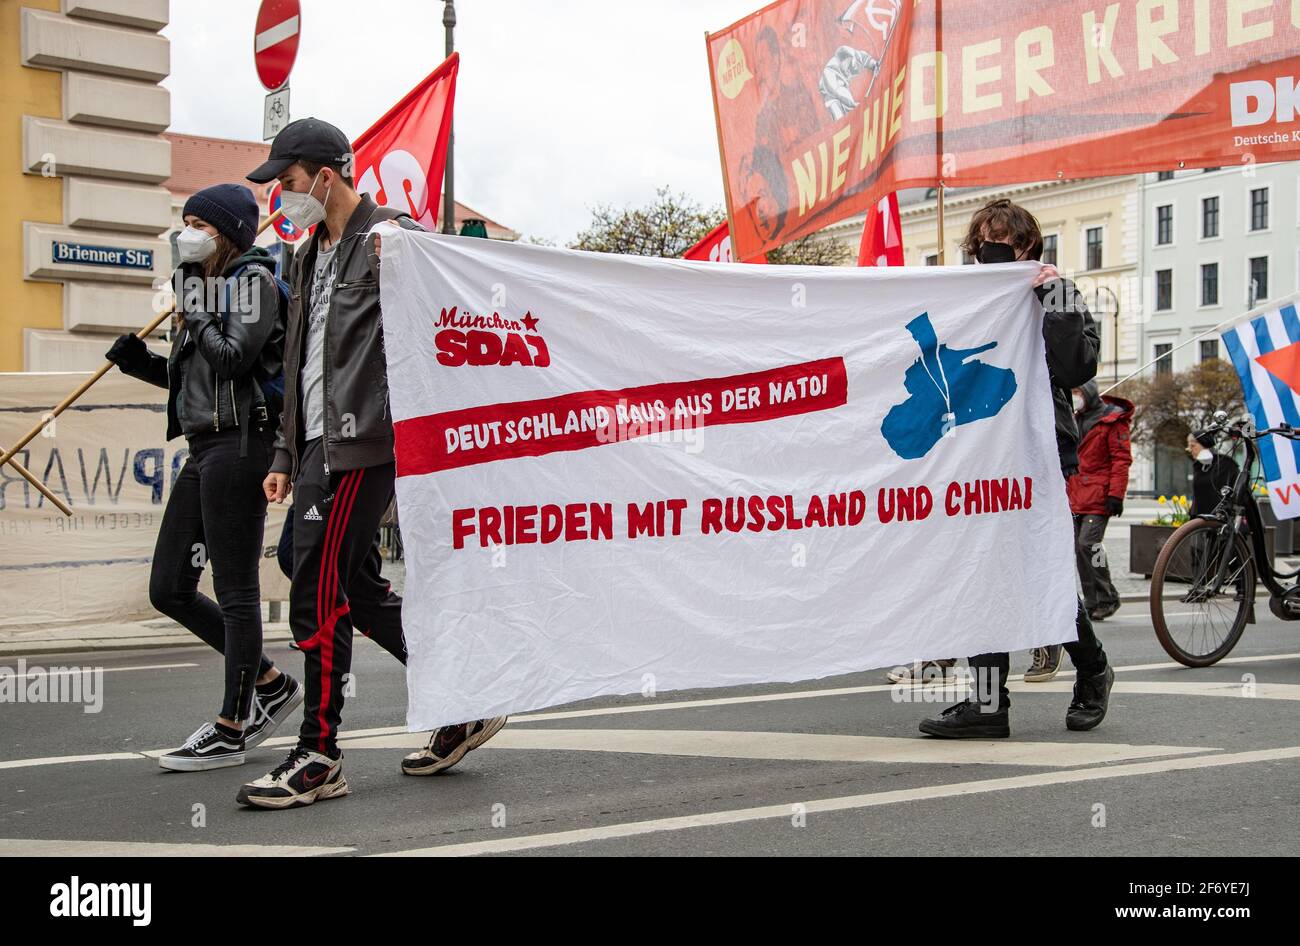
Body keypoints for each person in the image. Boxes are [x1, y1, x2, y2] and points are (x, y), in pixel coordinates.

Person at [236, 118, 506, 810]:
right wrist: (286, 453)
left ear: (325, 177)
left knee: (314, 592)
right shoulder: (303, 257)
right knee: (329, 575)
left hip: (368, 443)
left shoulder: (391, 240)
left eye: (289, 184)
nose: (281, 199)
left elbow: (455, 297)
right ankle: (465, 697)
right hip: (320, 447)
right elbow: (300, 363)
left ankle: (320, 754)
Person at [106, 183, 301, 770]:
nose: (188, 231)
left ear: (229, 234)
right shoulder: (209, 289)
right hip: (205, 447)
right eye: (185, 220)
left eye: (200, 223)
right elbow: (201, 381)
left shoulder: (252, 281)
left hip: (242, 446)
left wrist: (194, 301)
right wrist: (143, 365)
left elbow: (234, 358)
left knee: (236, 588)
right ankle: (268, 682)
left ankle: (232, 724)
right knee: (169, 586)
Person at [919, 199, 1115, 738]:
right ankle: (988, 705)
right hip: (973, 453)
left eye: (1006, 239)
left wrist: (1050, 296)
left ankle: (1093, 671)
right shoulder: (961, 298)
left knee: (1041, 570)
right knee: (983, 572)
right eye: (985, 239)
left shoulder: (1056, 293)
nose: (994, 248)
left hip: (1037, 454)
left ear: (1030, 246)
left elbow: (1077, 366)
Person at [1188, 432, 1239, 518]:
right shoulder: (1198, 465)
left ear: (1204, 445)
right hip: (1199, 518)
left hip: (1220, 518)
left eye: (1192, 445)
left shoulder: (1226, 464)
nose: (1189, 449)